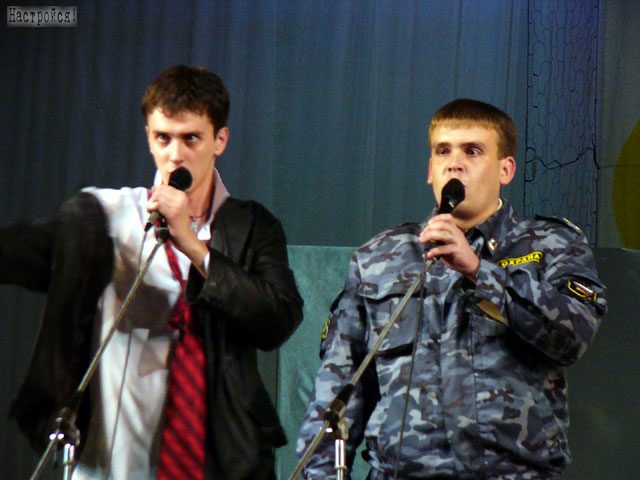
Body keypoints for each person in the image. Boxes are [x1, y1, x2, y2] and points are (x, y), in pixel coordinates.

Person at [1, 65, 303, 480]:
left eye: (190, 138)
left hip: (220, 462)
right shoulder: (104, 217)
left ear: (220, 140)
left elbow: (278, 319)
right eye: (163, 138)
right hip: (114, 464)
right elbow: (20, 252)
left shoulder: (251, 226)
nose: (175, 155)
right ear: (148, 138)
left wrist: (193, 246)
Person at [296, 99, 607, 479]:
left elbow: (573, 336)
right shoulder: (379, 258)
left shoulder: (551, 245)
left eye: (472, 151)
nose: (454, 164)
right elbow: (337, 390)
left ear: (506, 169)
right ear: (430, 170)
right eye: (443, 151)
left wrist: (479, 272)